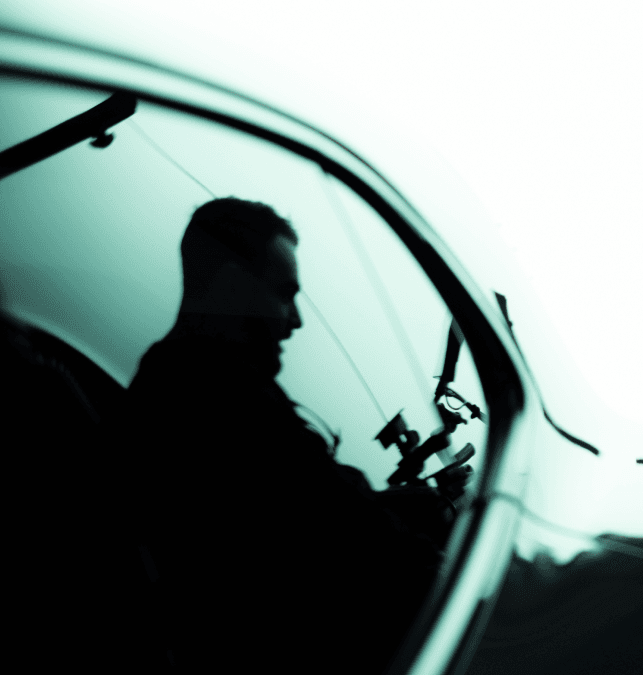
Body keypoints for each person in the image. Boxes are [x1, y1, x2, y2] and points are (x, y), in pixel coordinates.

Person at [123, 197, 443, 670]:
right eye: (284, 294)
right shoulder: (218, 396)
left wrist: (405, 504)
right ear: (232, 287)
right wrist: (460, 571)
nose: (296, 321)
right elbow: (353, 531)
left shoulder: (175, 380)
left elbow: (313, 503)